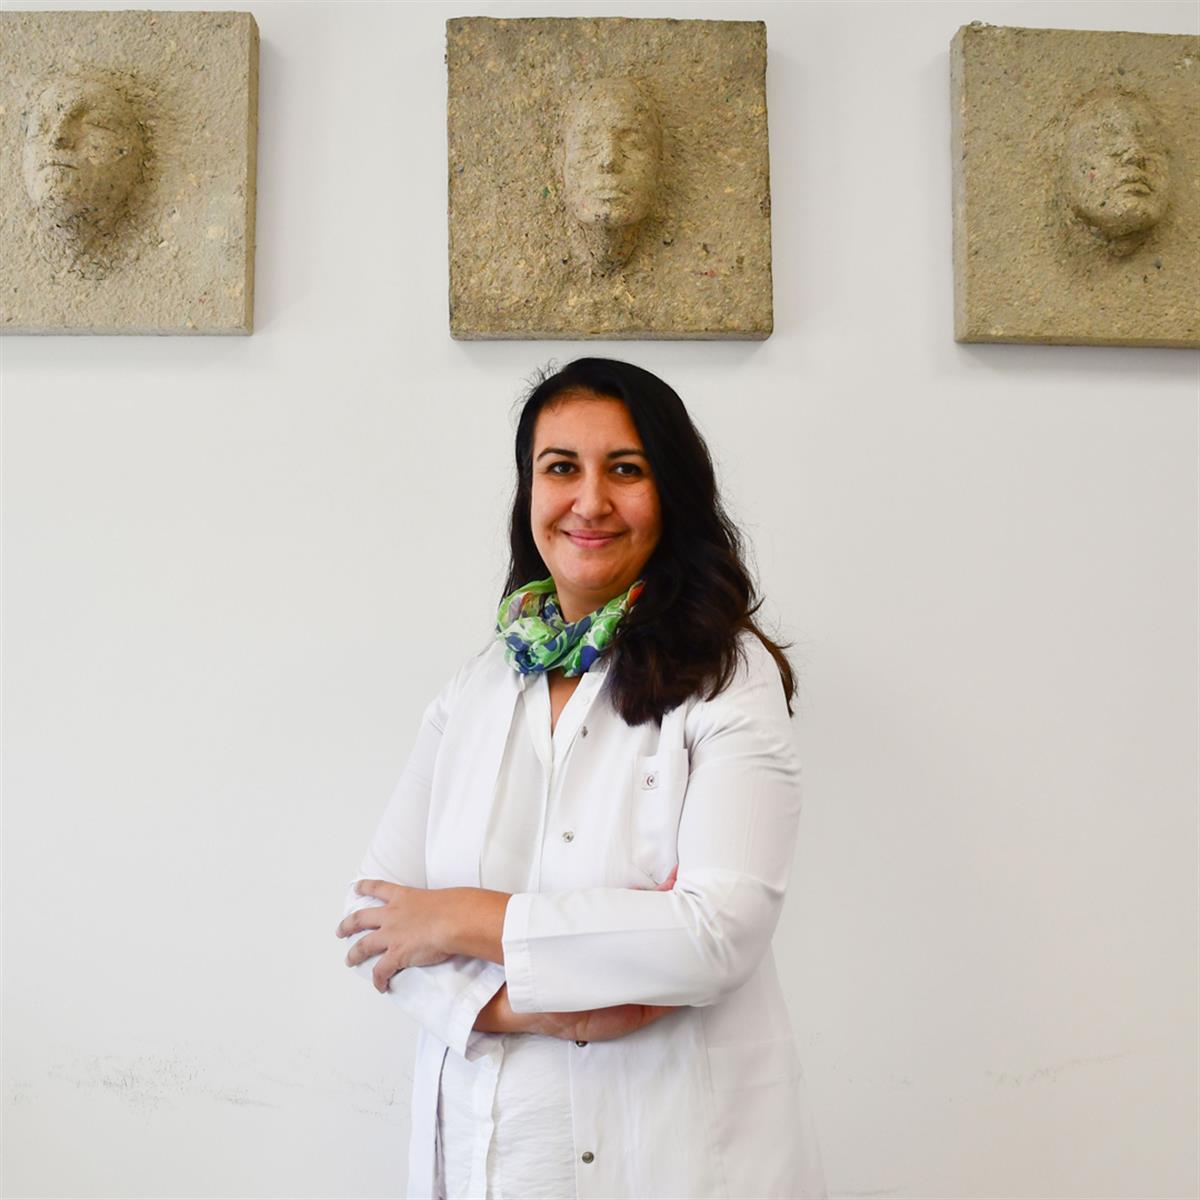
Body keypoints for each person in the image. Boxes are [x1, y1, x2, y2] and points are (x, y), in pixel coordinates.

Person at [335, 357, 826, 1199]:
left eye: (625, 470)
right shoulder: (480, 684)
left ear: (671, 493)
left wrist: (458, 918)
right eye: (561, 467)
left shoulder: (727, 675)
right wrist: (525, 1008)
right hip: (489, 1155)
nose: (590, 501)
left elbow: (716, 933)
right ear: (529, 492)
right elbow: (376, 924)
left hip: (669, 1161)